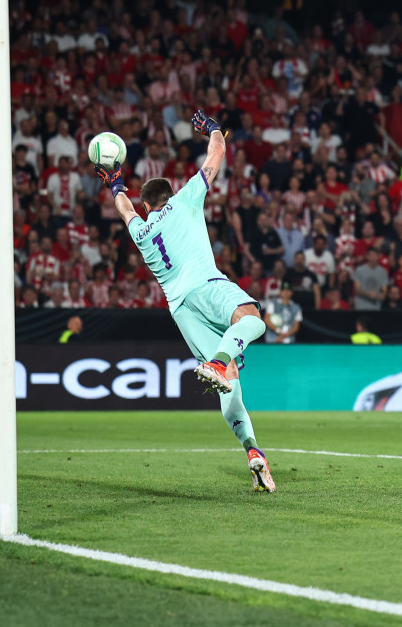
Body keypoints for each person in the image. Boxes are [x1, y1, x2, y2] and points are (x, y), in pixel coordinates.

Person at [95, 110, 275, 492]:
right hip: (205, 284)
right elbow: (218, 152)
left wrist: (115, 184)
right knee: (253, 317)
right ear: (170, 195)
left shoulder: (142, 230)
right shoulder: (186, 199)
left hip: (180, 309)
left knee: (230, 385)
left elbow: (124, 209)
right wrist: (212, 129)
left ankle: (253, 451)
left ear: (147, 207)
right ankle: (217, 359)